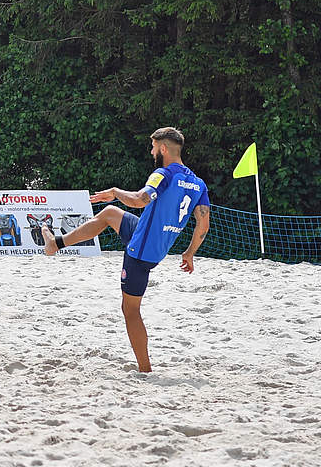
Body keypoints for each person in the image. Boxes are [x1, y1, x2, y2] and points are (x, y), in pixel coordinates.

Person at [41, 126, 210, 373]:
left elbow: (139, 200)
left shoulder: (162, 174)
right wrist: (189, 253)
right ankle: (56, 244)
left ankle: (145, 368)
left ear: (163, 148)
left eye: (153, 147)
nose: (152, 152)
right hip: (151, 238)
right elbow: (203, 223)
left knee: (130, 310)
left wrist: (114, 192)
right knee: (110, 214)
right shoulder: (198, 183)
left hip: (141, 251)